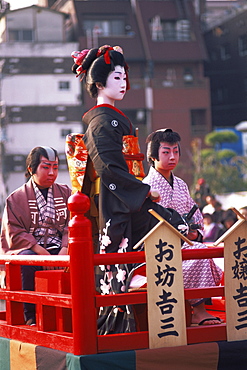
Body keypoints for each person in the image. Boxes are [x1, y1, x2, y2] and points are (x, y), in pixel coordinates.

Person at [71, 45, 188, 334]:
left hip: (127, 192)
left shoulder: (113, 117)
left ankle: (151, 308)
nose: (123, 83)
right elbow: (109, 167)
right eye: (117, 77)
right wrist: (143, 192)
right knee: (137, 244)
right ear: (99, 83)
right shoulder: (100, 121)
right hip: (116, 197)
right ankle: (120, 323)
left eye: (125, 77)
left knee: (174, 225)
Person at [143, 129, 223, 326]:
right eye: (166, 152)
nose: (172, 157)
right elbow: (148, 223)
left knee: (207, 252)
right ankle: (199, 310)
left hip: (187, 243)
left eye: (176, 151)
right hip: (161, 248)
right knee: (198, 253)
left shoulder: (181, 184)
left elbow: (195, 214)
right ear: (153, 156)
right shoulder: (146, 187)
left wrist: (195, 232)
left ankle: (201, 308)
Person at [0, 146, 71, 325]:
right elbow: (14, 232)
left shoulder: (66, 193)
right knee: (27, 262)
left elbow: (71, 226)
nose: (52, 173)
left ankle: (73, 313)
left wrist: (64, 249)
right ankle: (30, 314)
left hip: (60, 249)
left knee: (78, 259)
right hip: (31, 249)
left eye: (55, 167)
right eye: (46, 167)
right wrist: (41, 253)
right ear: (31, 169)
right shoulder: (15, 198)